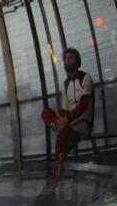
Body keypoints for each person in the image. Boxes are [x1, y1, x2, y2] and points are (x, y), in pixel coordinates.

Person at [41, 47, 95, 183]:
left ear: (77, 60)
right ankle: (61, 128)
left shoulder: (86, 77)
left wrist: (66, 119)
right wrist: (60, 119)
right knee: (46, 112)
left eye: (70, 57)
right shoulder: (64, 84)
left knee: (61, 137)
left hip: (83, 123)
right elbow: (64, 109)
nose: (67, 60)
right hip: (68, 123)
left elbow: (84, 105)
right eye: (65, 58)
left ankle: (57, 174)